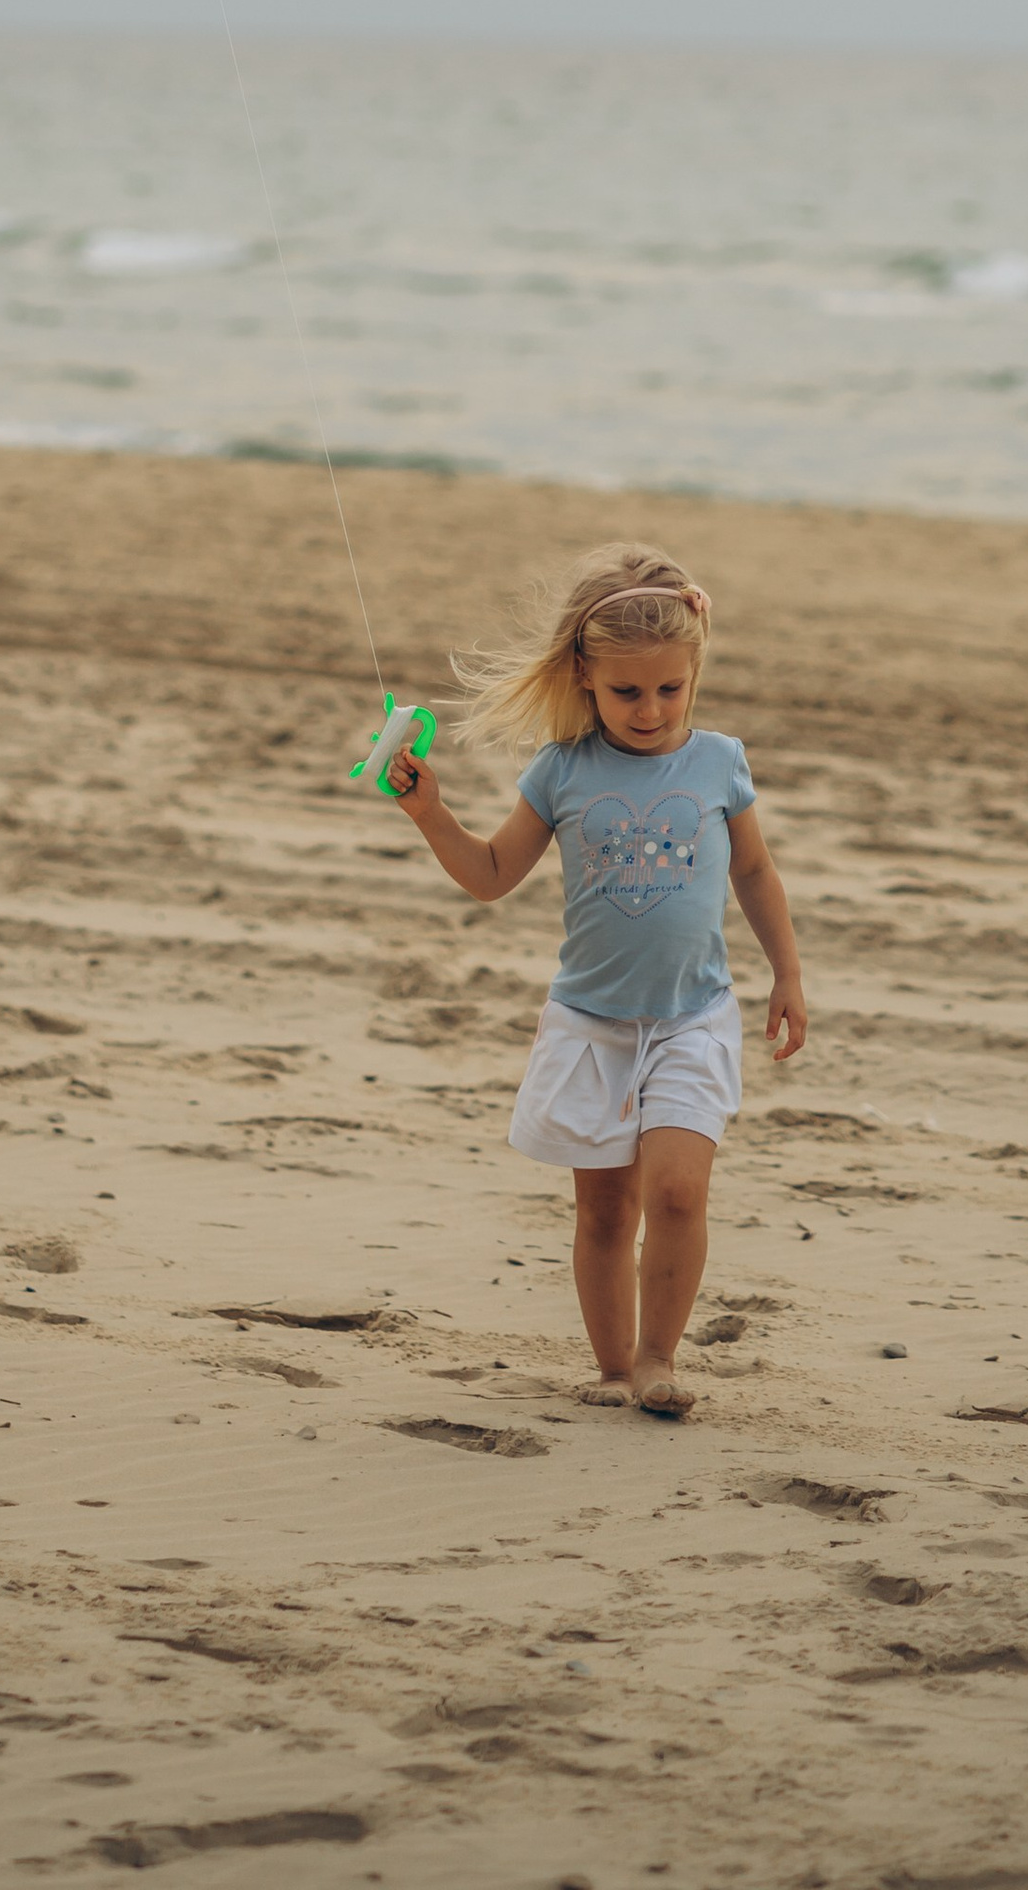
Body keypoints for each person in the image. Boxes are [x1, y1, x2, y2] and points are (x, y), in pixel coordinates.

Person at [387, 542, 806, 1416]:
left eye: (669, 689)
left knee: (680, 1190)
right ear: (583, 674)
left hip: (693, 1016)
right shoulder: (562, 771)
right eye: (626, 692)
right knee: (607, 1216)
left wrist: (787, 975)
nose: (650, 710)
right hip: (591, 1024)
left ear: (694, 673)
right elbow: (494, 872)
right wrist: (432, 814)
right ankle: (614, 1371)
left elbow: (756, 874)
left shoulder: (721, 761)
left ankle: (660, 1361)